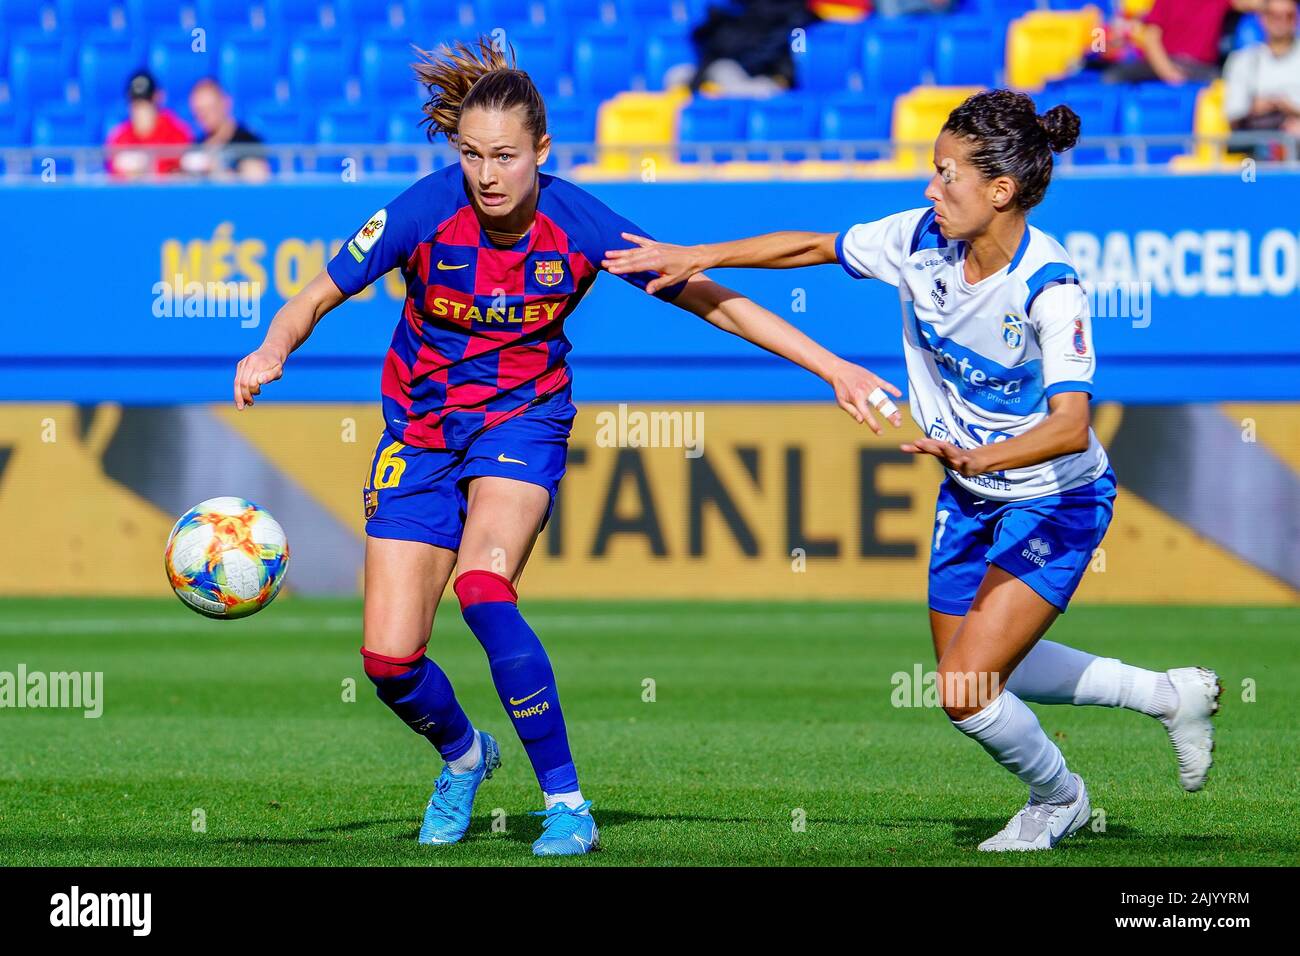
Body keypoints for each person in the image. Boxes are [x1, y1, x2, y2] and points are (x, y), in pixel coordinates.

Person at [231, 37, 899, 858]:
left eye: (505, 156)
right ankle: (465, 757)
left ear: (542, 152)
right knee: (388, 662)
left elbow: (713, 302)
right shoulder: (419, 211)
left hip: (524, 420)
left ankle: (566, 802)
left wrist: (832, 367)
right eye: (472, 154)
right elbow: (315, 294)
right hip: (420, 433)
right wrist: (273, 347)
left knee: (482, 585)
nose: (486, 174)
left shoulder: (579, 222)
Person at [604, 89, 1222, 852]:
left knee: (967, 690)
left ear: (1000, 191)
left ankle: (1057, 798)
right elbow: (814, 248)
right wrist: (701, 254)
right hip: (968, 493)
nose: (931, 188)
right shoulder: (921, 238)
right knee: (976, 673)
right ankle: (1167, 694)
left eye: (946, 173)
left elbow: (1070, 426)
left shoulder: (1050, 289)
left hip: (1055, 499)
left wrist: (979, 454)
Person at [1105, 0, 1260, 84]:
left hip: (1202, 69)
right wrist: (1169, 73)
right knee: (1112, 78)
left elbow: (1254, 3)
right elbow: (1151, 38)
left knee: (1222, 87)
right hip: (1164, 63)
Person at [1224, 0, 1300, 154]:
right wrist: (1260, 107)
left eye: (1289, 15)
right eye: (1275, 15)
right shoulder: (1242, 60)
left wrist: (1290, 110)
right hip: (1255, 147)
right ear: (1262, 18)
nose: (1282, 21)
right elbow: (1233, 115)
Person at [105, 70, 192, 179]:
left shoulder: (176, 132)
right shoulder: (120, 136)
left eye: (147, 101)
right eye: (136, 102)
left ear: (158, 98)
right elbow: (113, 175)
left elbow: (184, 172)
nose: (141, 108)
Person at [182, 76, 271, 182]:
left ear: (226, 103)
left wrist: (217, 171)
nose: (204, 115)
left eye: (210, 108)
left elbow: (257, 179)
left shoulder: (247, 140)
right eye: (199, 110)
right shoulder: (197, 145)